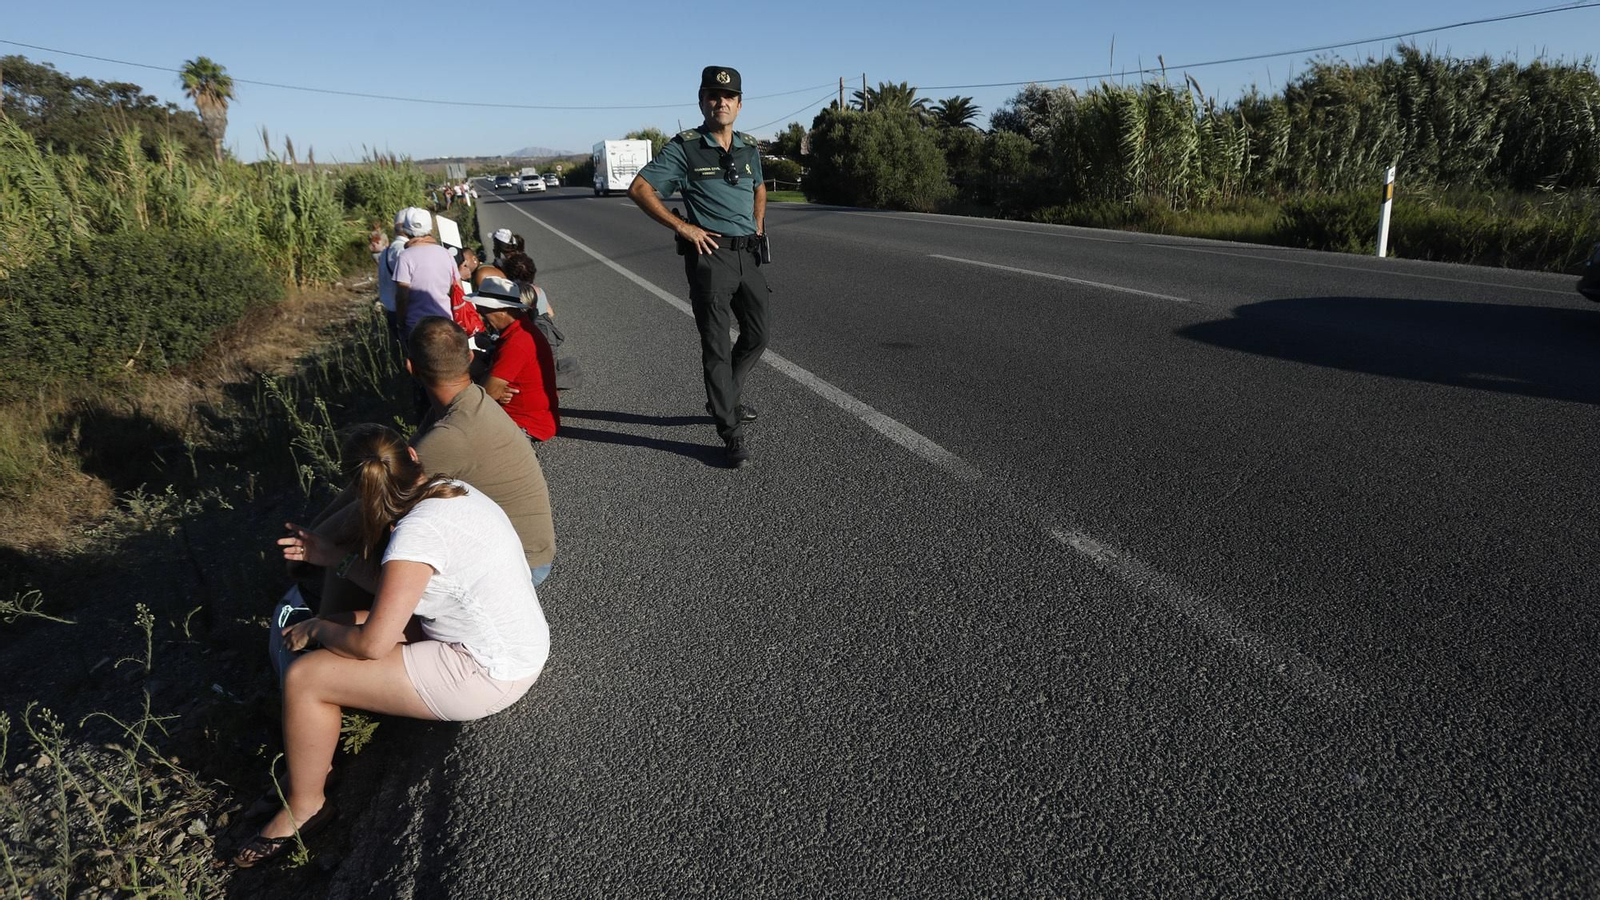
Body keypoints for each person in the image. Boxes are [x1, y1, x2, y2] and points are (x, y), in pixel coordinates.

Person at [234, 425, 551, 868]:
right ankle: (307, 766)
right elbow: (400, 592)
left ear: (357, 485)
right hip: (508, 641)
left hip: (488, 670)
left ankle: (307, 808)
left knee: (307, 677)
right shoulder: (450, 490)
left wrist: (318, 630)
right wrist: (334, 560)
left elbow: (372, 644)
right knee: (340, 626)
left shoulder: (415, 536)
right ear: (412, 456)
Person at [298, 316, 558, 617]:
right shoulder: (465, 402)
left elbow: (369, 505)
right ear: (469, 357)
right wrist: (315, 530)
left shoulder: (453, 434)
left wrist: (309, 550)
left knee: (355, 555)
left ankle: (339, 631)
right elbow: (369, 484)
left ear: (411, 368)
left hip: (523, 565)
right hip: (522, 549)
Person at [628, 65, 768, 468]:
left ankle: (725, 397)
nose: (721, 102)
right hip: (711, 257)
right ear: (702, 101)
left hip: (747, 254)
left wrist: (758, 222)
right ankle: (730, 431)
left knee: (758, 334)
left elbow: (759, 187)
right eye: (713, 96)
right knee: (717, 346)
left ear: (739, 104)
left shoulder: (748, 147)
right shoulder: (685, 147)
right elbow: (640, 188)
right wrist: (683, 227)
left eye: (729, 97)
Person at [470, 276, 559, 442]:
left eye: (483, 311)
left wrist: (490, 388)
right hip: (527, 417)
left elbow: (488, 393)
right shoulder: (519, 331)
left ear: (502, 310)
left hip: (524, 422)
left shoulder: (517, 342)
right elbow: (493, 389)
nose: (481, 317)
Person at [392, 207, 456, 340]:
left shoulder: (405, 256)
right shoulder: (446, 253)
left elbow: (402, 296)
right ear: (430, 229)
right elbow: (457, 288)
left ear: (406, 231)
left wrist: (400, 323)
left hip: (416, 326)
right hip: (445, 322)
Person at [373, 210, 409, 343]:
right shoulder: (403, 250)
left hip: (392, 311)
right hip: (405, 312)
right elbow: (406, 287)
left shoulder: (387, 250)